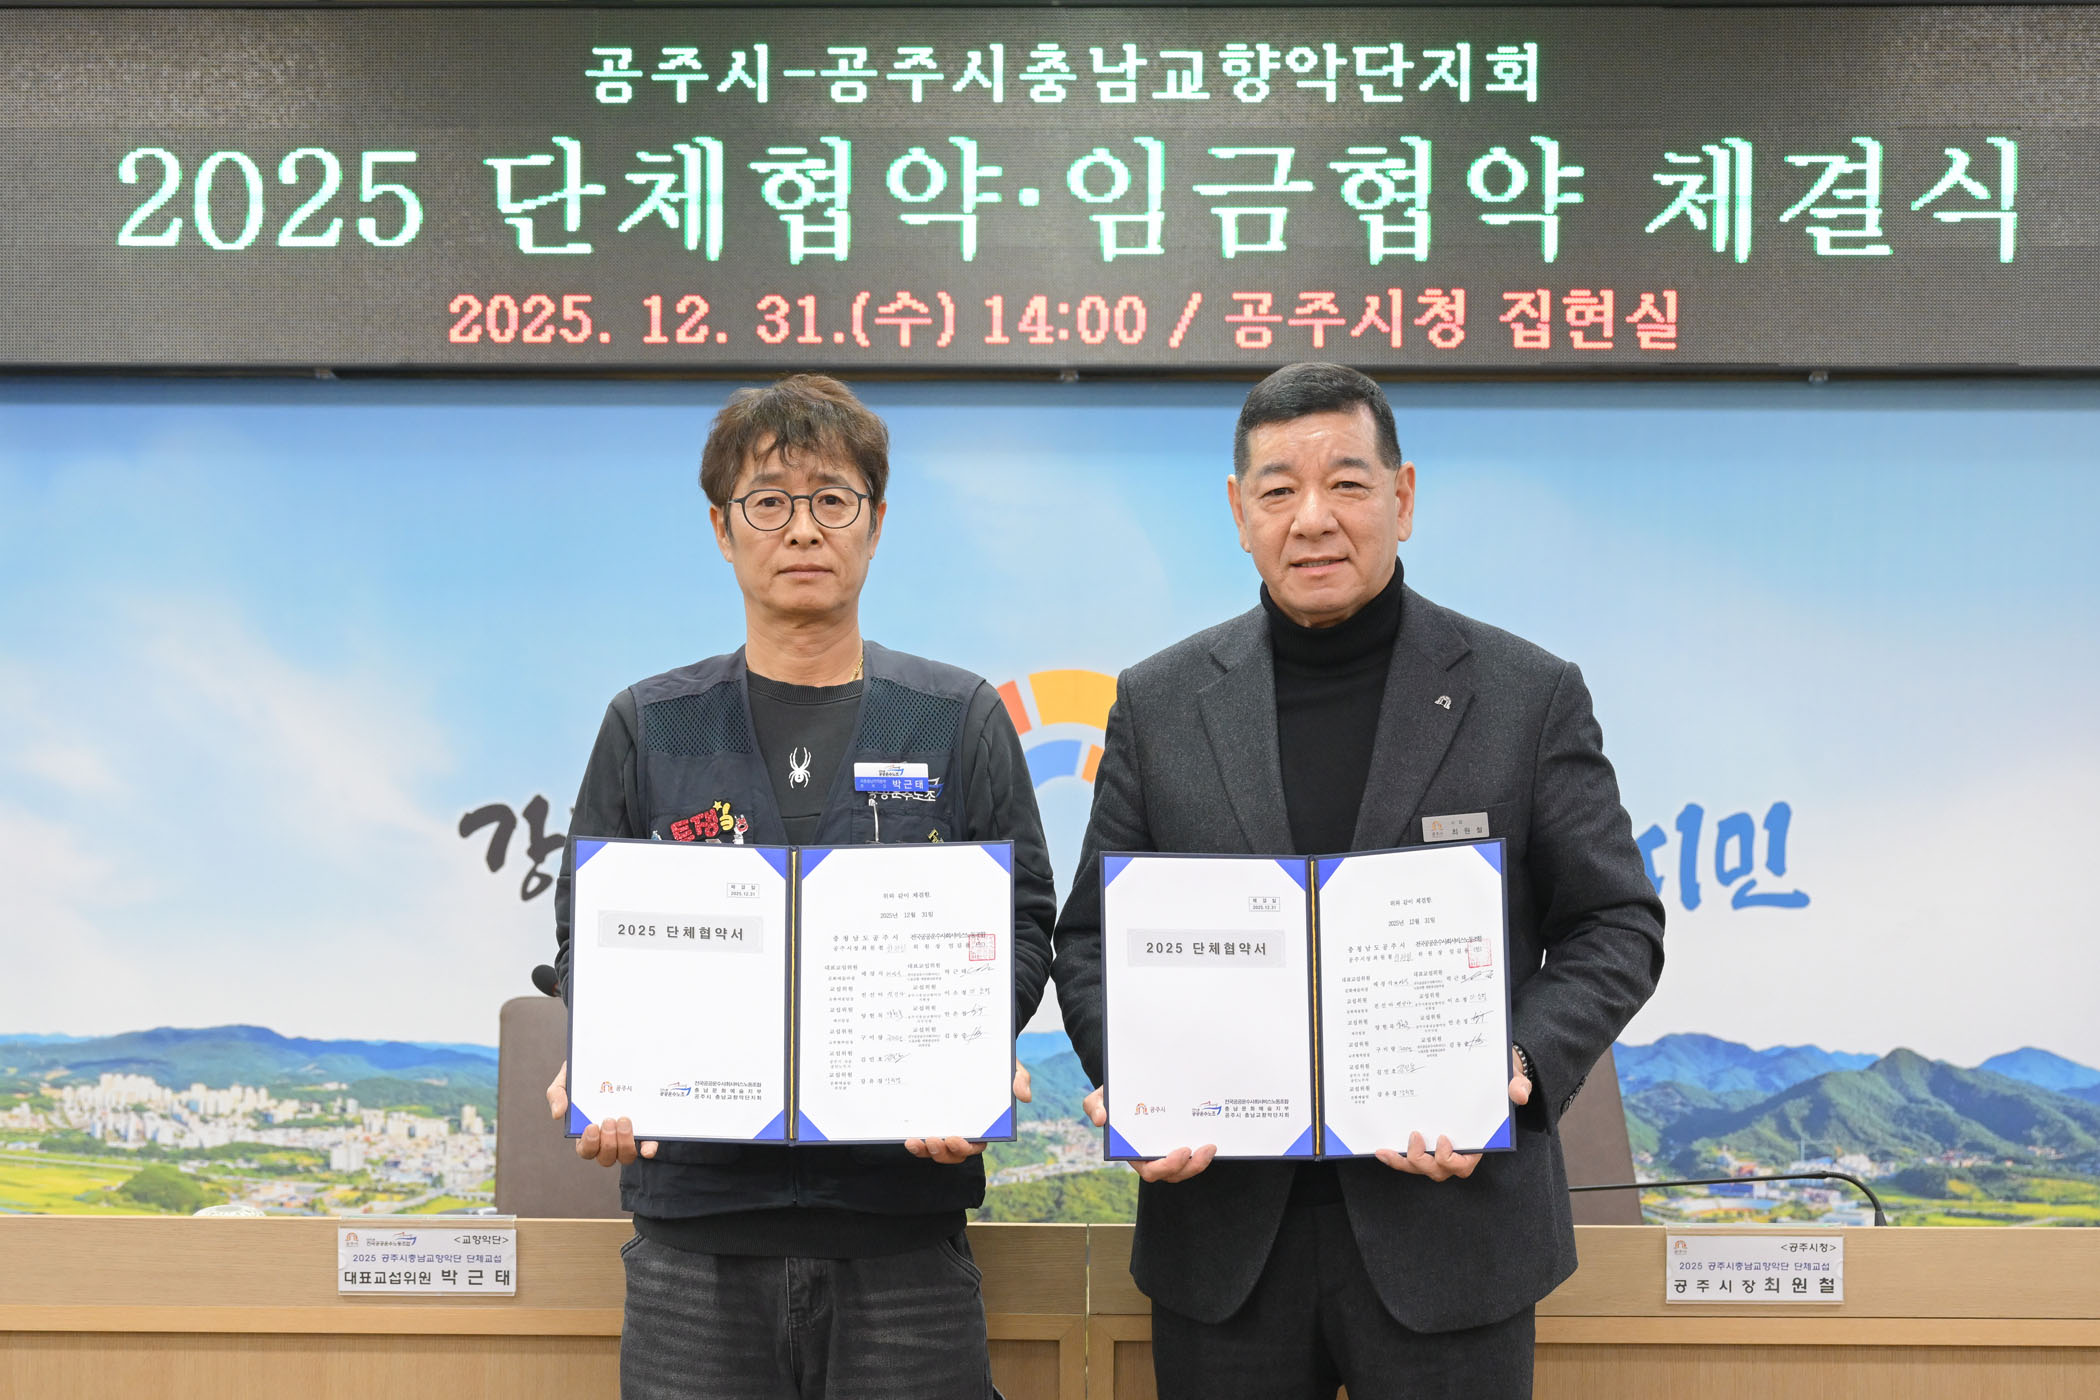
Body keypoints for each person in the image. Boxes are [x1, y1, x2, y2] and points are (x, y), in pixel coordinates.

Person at [1050, 363, 1665, 1400]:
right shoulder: (1159, 704)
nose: (1313, 519)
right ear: (1239, 512)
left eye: (1346, 482)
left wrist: (1514, 1064)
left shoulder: (1526, 694)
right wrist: (1141, 1079)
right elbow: (1088, 942)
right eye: (1279, 489)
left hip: (1455, 1237)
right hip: (1223, 1243)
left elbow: (1616, 923)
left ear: (1403, 497)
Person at [544, 374, 1054, 1400]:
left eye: (832, 499)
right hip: (697, 1232)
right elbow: (585, 932)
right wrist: (600, 1057)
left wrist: (966, 1052)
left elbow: (1025, 918)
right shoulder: (651, 722)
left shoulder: (955, 716)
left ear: (876, 522)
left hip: (901, 1225)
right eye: (769, 501)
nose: (804, 528)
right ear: (722, 528)